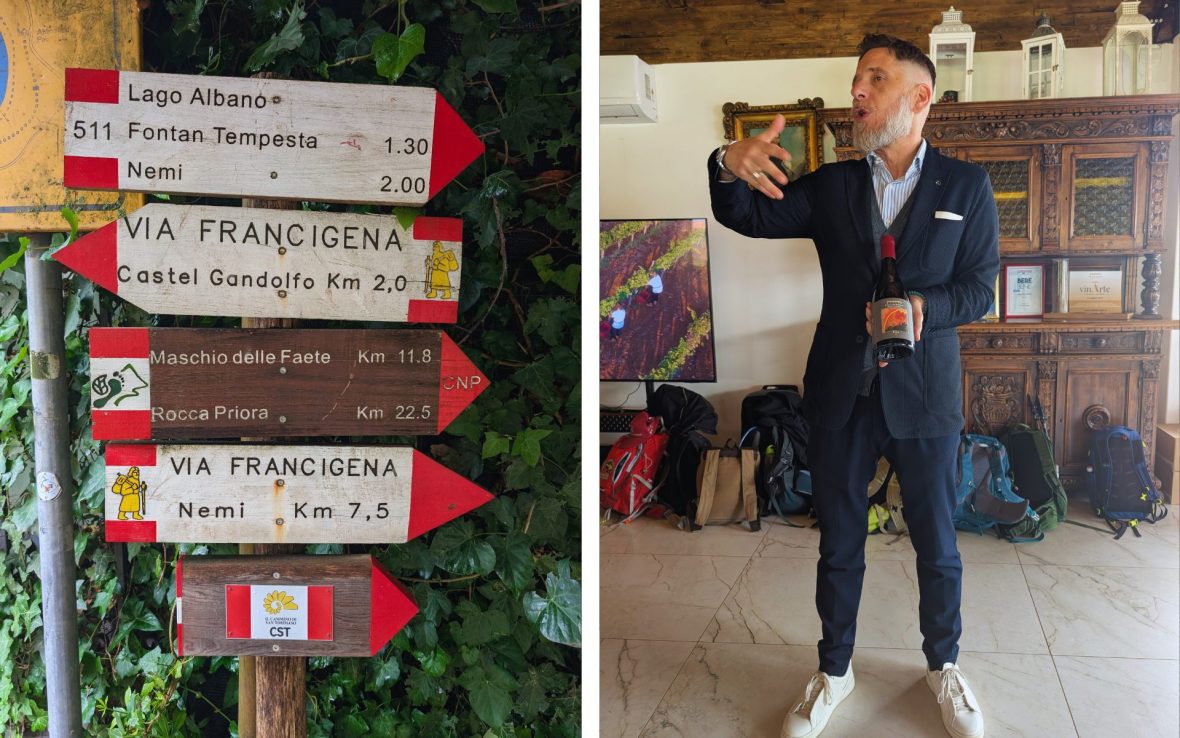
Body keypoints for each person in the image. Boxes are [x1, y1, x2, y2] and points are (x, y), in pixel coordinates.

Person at [708, 34, 998, 738]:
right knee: (839, 541)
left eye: (876, 78)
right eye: (856, 78)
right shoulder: (833, 185)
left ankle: (945, 667)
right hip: (841, 391)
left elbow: (981, 289)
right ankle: (834, 671)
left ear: (919, 98)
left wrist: (929, 309)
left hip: (926, 395)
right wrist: (724, 162)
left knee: (938, 543)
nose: (858, 91)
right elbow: (744, 214)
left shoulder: (966, 187)